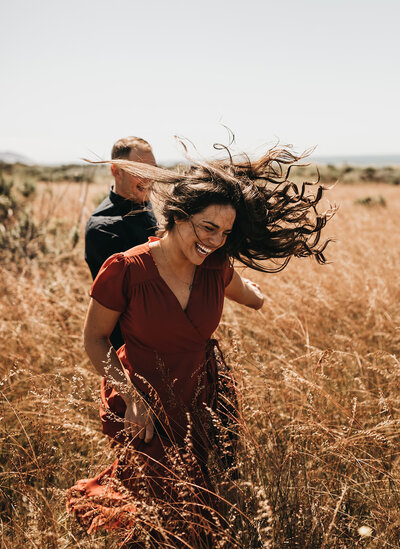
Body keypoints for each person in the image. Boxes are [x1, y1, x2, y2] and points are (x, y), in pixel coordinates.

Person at [67, 143, 333, 547]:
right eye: (208, 228)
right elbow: (94, 339)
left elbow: (249, 294)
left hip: (204, 395)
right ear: (177, 216)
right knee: (164, 513)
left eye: (225, 232)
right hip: (146, 402)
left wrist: (260, 297)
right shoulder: (126, 269)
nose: (215, 240)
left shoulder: (215, 267)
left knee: (203, 498)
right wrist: (132, 399)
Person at [85, 136, 158, 349]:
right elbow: (132, 298)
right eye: (139, 169)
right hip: (130, 351)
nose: (149, 177)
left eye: (153, 169)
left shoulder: (149, 206)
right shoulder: (103, 227)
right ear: (116, 170)